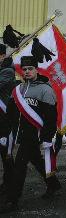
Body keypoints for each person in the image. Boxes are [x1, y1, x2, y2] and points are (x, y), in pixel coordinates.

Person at [1, 56, 60, 213]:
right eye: (24, 69)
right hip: (20, 134)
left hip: (34, 135)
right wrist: (6, 132)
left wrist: (47, 137)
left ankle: (12, 199)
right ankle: (53, 184)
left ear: (36, 70)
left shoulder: (45, 90)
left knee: (19, 166)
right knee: (37, 161)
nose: (27, 72)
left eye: (30, 69)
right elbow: (10, 114)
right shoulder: (18, 90)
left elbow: (51, 118)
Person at [0, 44, 16, 194]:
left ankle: (10, 183)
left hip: (4, 117)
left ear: (3, 56)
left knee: (6, 153)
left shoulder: (7, 71)